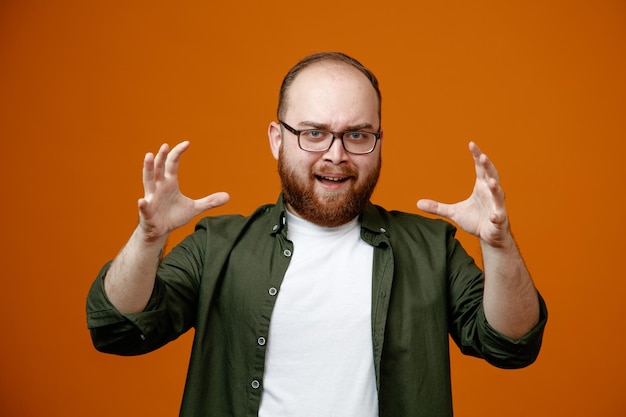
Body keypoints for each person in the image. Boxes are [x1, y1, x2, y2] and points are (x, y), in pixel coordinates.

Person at [86, 52, 547, 417]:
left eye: (358, 135)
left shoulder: (432, 249)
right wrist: (148, 242)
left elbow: (511, 343)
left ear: (379, 141)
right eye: (314, 133)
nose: (336, 154)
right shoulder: (218, 245)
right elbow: (116, 328)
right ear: (276, 138)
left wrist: (499, 246)